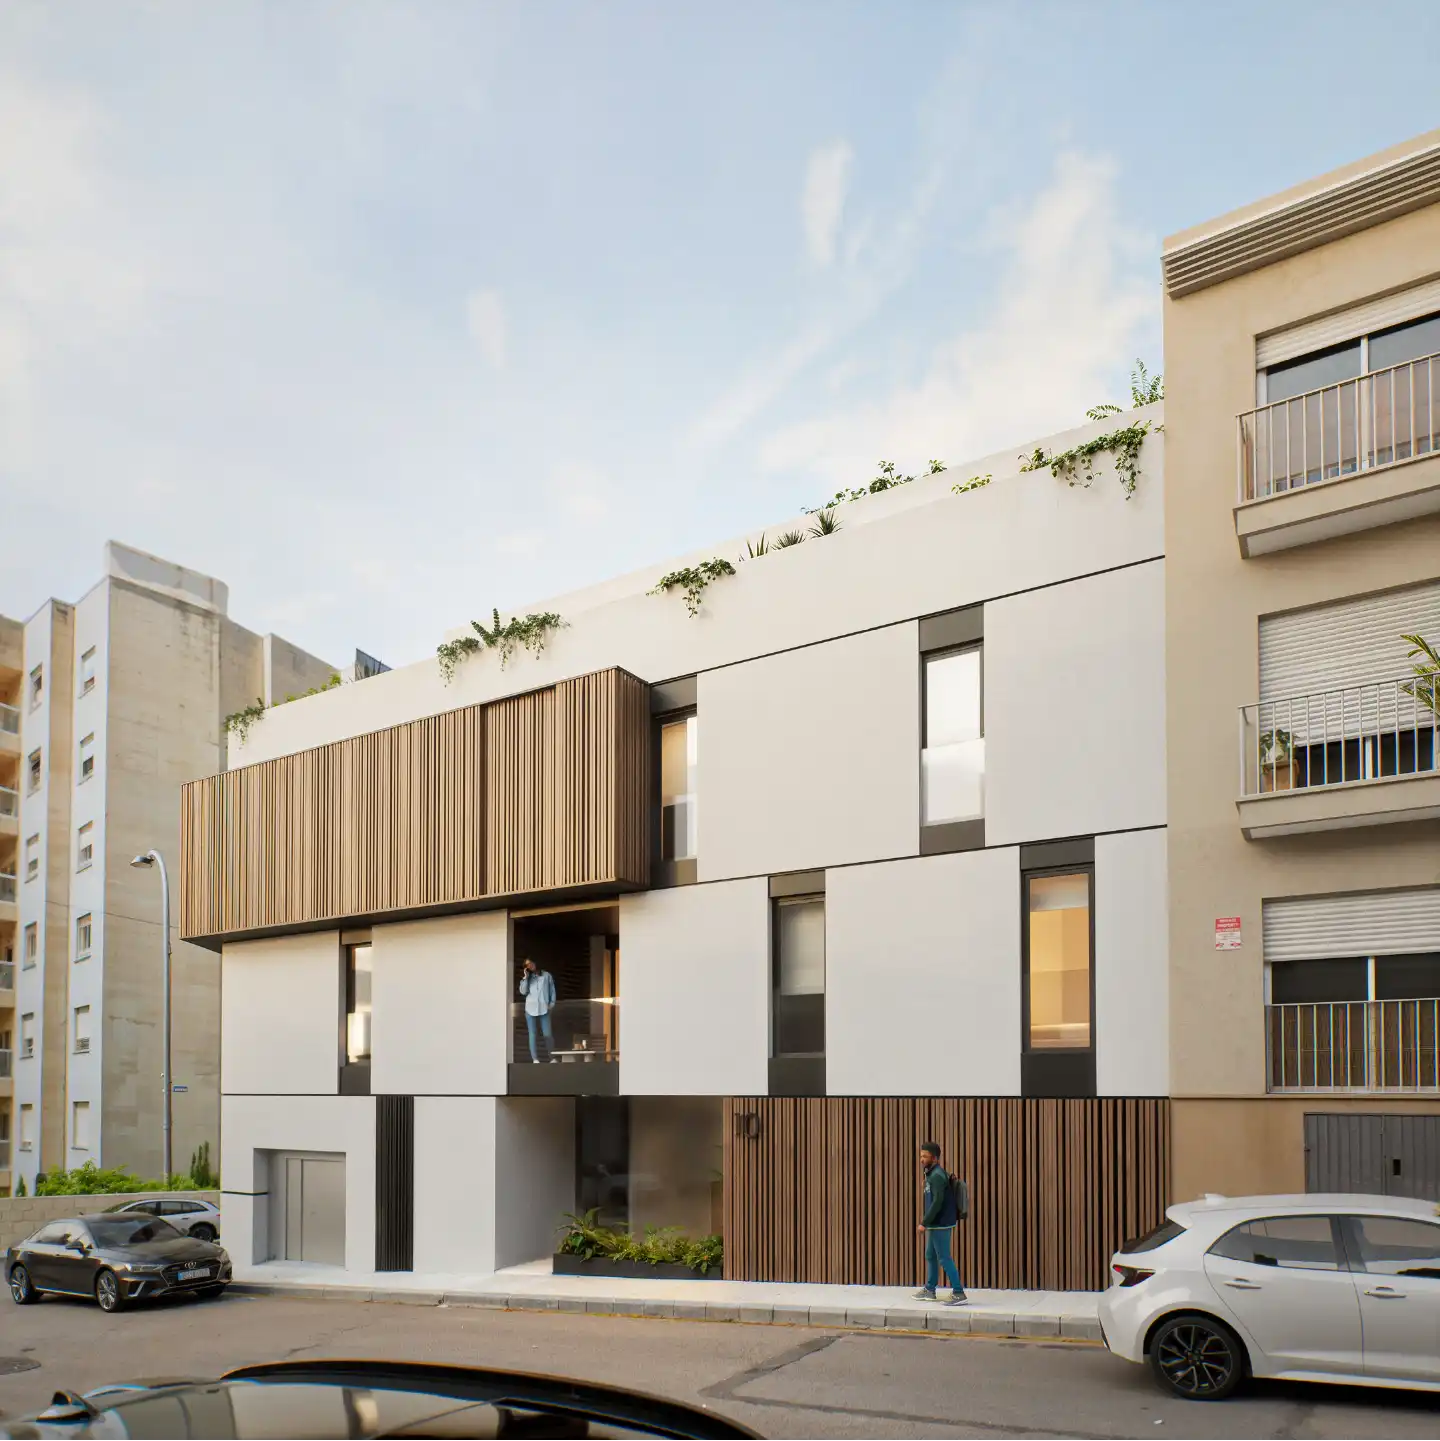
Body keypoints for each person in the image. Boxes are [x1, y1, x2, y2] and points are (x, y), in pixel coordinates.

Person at [913, 1140, 966, 1304]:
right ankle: (930, 1289)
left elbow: (937, 1202)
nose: (921, 1159)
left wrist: (924, 1222)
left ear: (934, 1158)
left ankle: (958, 1292)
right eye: (921, 1156)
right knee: (930, 1254)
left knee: (943, 1257)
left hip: (941, 1223)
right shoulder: (931, 1173)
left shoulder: (937, 1176)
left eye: (925, 1156)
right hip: (935, 1223)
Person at [519, 958, 557, 1062]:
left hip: (544, 1008)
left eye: (531, 963)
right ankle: (535, 1058)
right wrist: (526, 978)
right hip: (530, 1009)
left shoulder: (547, 975)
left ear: (535, 962)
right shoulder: (527, 978)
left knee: (547, 1034)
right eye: (527, 965)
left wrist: (552, 1003)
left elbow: (552, 990)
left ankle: (552, 1057)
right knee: (532, 1034)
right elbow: (523, 991)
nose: (530, 966)